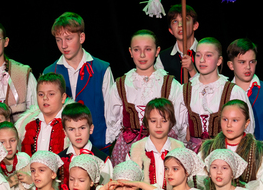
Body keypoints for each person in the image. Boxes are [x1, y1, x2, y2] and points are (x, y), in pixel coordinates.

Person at [105, 29, 187, 162]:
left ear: (157, 51)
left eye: (148, 49)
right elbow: (112, 119)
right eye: (137, 50)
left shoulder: (171, 84)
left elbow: (179, 120)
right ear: (130, 52)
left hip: (162, 145)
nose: (142, 55)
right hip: (128, 146)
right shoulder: (121, 84)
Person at [46, 12, 116, 153]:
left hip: (97, 145)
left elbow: (112, 111)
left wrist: (107, 140)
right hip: (63, 148)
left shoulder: (101, 69)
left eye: (69, 39)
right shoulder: (50, 72)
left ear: (81, 37)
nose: (63, 45)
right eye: (58, 40)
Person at [197, 99, 263, 190]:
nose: (229, 125)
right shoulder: (208, 149)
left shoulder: (257, 152)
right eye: (225, 119)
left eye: (235, 120)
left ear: (246, 123)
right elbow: (198, 179)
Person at [223, 38, 263, 149]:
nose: (248, 67)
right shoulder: (225, 92)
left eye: (251, 62)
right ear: (231, 65)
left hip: (261, 156)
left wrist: (262, 155)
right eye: (242, 62)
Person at [184, 38, 236, 153]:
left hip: (223, 155)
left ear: (219, 60)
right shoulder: (185, 90)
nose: (202, 60)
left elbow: (245, 129)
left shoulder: (233, 91)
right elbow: (179, 129)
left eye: (208, 55)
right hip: (193, 155)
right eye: (198, 55)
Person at [129, 98, 179, 190]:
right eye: (153, 121)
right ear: (146, 123)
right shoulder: (136, 150)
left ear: (171, 123)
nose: (158, 126)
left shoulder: (179, 148)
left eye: (164, 121)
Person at [16, 73, 70, 156]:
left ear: (63, 98)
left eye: (51, 94)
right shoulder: (24, 125)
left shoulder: (71, 123)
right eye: (41, 94)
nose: (45, 98)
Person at [159, 3, 200, 83]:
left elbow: (213, 86)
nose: (180, 25)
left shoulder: (207, 52)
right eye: (175, 21)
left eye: (185, 19)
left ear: (195, 25)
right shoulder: (163, 57)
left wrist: (192, 70)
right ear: (171, 30)